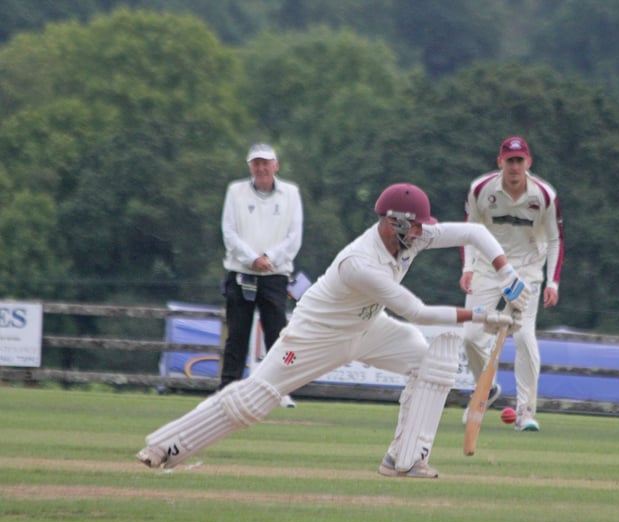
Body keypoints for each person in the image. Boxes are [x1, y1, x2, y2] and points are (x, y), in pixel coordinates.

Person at [137, 183, 530, 478]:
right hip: (315, 336)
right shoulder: (359, 262)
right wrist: (482, 316)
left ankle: (406, 459)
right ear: (394, 223)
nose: (423, 234)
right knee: (255, 401)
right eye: (415, 226)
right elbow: (418, 312)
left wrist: (506, 273)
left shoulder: (414, 236)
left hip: (369, 327)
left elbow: (474, 233)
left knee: (434, 359)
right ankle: (165, 446)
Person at [460, 136, 563, 431]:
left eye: (520, 161)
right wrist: (467, 267)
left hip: (527, 270)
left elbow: (556, 240)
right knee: (470, 337)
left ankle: (525, 411)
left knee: (522, 336)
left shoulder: (544, 195)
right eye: (510, 161)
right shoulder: (480, 190)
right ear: (500, 162)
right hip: (488, 267)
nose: (514, 166)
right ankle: (486, 388)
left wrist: (553, 282)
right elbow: (468, 231)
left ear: (528, 163)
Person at [219, 142, 303, 408]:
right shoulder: (236, 191)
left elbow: (294, 237)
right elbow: (229, 233)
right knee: (237, 336)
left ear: (275, 165)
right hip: (241, 272)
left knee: (278, 337)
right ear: (250, 167)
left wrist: (270, 258)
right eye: (256, 163)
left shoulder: (291, 193)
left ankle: (279, 390)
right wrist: (252, 259)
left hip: (275, 275)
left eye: (266, 162)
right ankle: (227, 392)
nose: (261, 167)